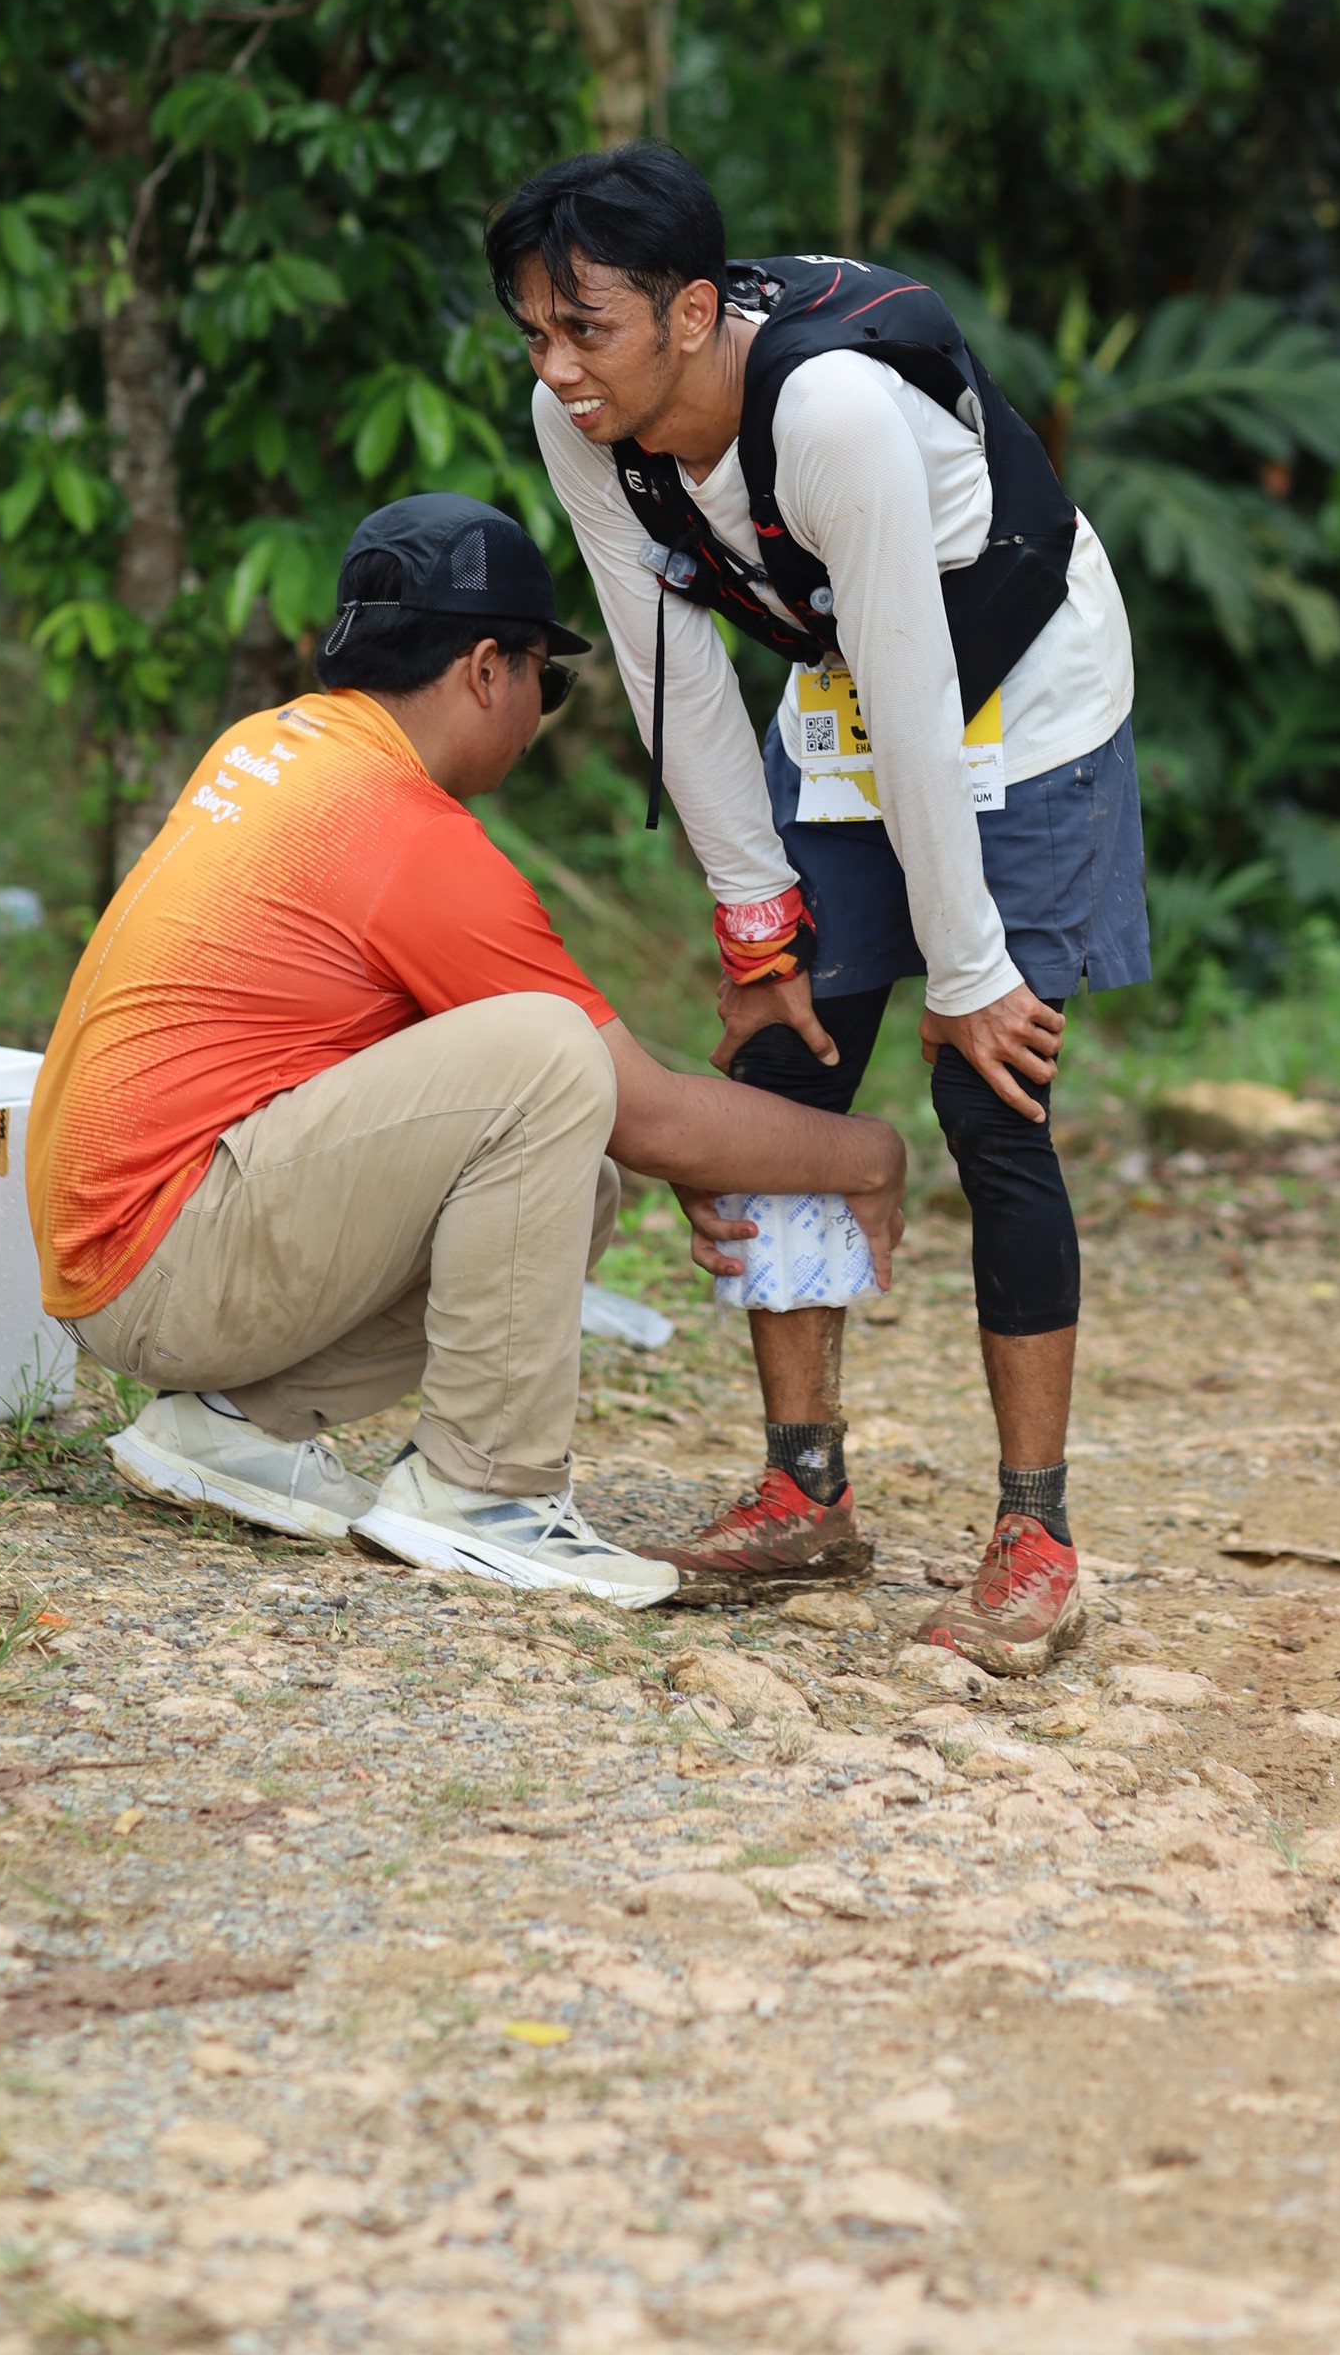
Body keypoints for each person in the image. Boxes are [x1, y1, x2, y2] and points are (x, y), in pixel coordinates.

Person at [485, 143, 1147, 1673]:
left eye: (586, 328)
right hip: (854, 697)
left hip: (1024, 699)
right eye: (535, 333)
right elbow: (669, 668)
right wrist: (755, 925)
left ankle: (1037, 1537)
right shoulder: (585, 424)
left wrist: (968, 970)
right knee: (785, 1071)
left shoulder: (832, 409)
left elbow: (924, 690)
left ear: (693, 310)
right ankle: (804, 1488)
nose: (558, 367)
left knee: (991, 1091)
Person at [23, 492, 906, 1608]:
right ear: (489, 669)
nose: (541, 714)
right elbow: (640, 1109)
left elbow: (603, 1114)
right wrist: (867, 1154)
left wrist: (687, 1145)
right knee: (551, 1060)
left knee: (571, 1176)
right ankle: (484, 1492)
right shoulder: (405, 836)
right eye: (548, 680)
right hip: (166, 1260)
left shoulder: (275, 746)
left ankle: (231, 1425)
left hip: (117, 1246)